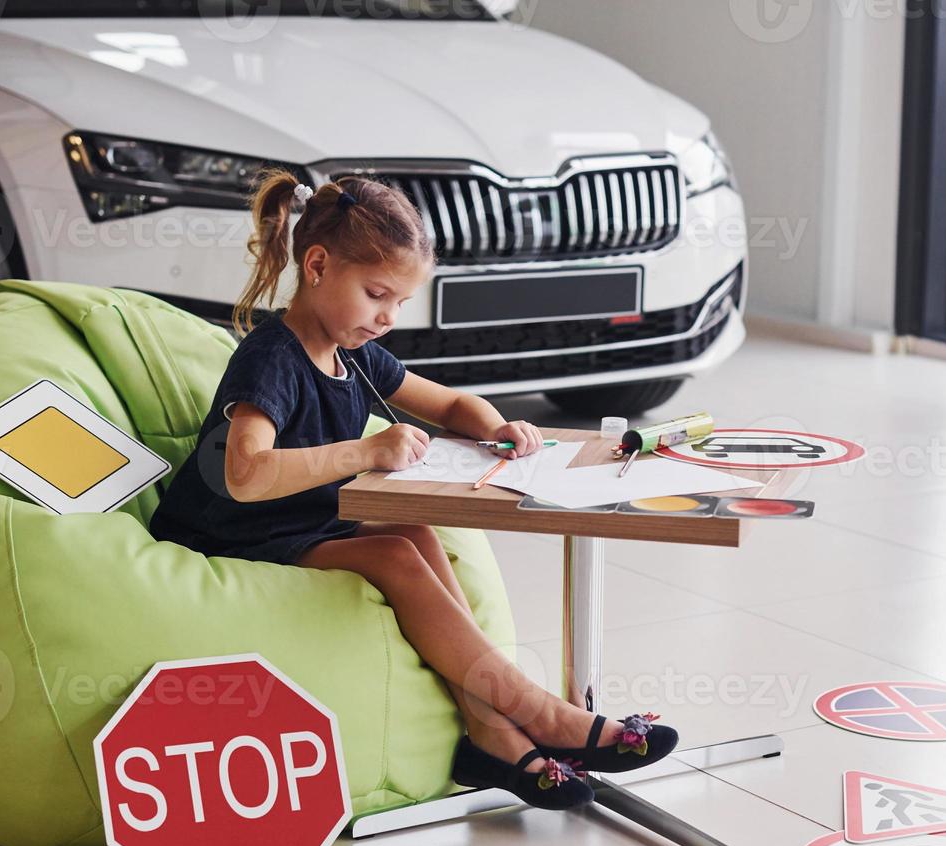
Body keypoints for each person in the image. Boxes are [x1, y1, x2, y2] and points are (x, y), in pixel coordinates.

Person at [149, 169, 677, 810]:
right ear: (316, 266)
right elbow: (246, 472)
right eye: (377, 295)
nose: (388, 318)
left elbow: (450, 401)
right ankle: (540, 713)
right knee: (393, 555)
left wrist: (495, 424)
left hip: (302, 523)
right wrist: (367, 450)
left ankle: (489, 732)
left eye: (399, 303)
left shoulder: (354, 354)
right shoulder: (272, 358)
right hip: (230, 531)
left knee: (416, 534)